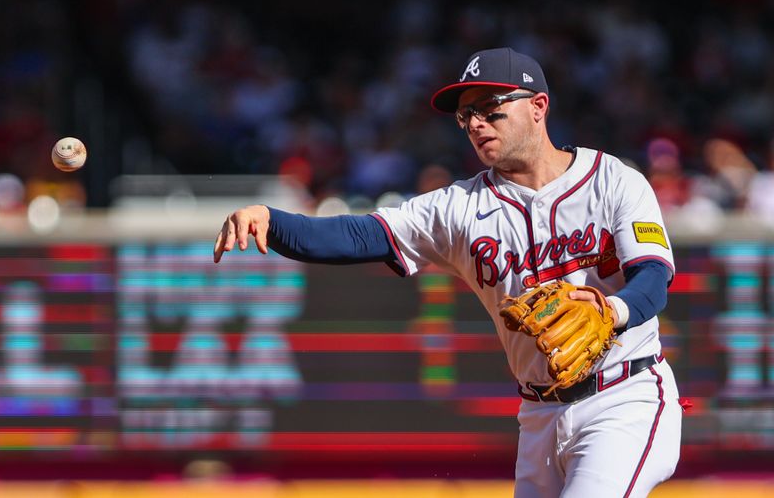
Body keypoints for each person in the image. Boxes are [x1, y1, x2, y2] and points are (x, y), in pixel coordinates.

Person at [213, 47, 682, 497]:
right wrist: (274, 223)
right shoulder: (459, 209)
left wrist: (613, 309)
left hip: (625, 396)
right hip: (539, 416)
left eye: (490, 107)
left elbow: (654, 277)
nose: (476, 123)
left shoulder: (613, 180)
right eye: (465, 115)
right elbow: (360, 237)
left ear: (538, 106)